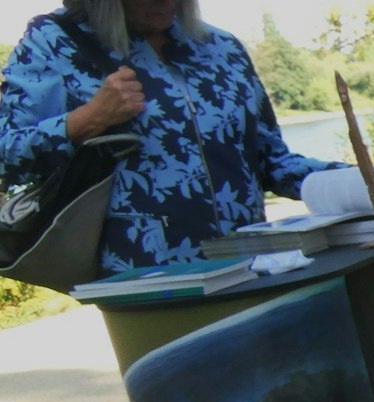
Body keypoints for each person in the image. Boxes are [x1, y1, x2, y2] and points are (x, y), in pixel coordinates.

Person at [0, 0, 346, 276]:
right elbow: (8, 151)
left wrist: (347, 181)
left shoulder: (221, 47)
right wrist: (86, 120)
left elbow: (270, 159)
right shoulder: (54, 41)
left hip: (251, 268)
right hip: (144, 279)